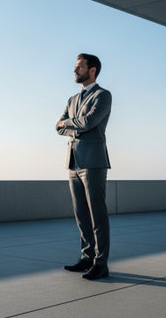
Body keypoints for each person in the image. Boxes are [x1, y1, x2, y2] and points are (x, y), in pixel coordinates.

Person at [55, 53, 111, 280]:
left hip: (94, 162)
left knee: (97, 214)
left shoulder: (103, 95)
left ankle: (101, 263)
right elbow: (57, 128)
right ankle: (87, 257)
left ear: (92, 70)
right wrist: (74, 125)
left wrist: (69, 124)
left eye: (79, 67)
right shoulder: (72, 100)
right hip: (73, 163)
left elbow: (88, 122)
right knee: (81, 215)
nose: (74, 70)